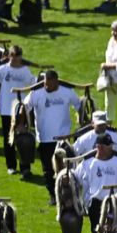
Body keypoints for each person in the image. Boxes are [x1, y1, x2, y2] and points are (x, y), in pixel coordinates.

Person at [24, 71, 82, 205]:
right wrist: (23, 123)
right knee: (48, 170)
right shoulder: (36, 93)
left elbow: (79, 105)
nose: (47, 87)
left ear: (56, 81)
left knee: (66, 169)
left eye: (49, 84)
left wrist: (81, 119)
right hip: (45, 139)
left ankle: (67, 195)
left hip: (63, 138)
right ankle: (53, 195)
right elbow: (24, 107)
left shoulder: (67, 92)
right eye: (45, 83)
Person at [0, 46, 36, 175]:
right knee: (9, 139)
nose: (15, 61)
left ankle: (25, 167)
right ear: (9, 56)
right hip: (6, 109)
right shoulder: (2, 69)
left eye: (18, 58)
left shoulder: (25, 71)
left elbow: (34, 84)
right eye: (13, 58)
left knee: (23, 137)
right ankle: (11, 165)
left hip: (21, 109)